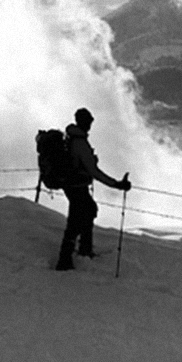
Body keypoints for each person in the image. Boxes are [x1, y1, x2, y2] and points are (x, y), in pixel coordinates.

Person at [54, 107, 129, 271]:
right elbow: (94, 171)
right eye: (88, 121)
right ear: (84, 122)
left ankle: (81, 251)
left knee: (87, 211)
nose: (90, 125)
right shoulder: (80, 143)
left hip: (72, 185)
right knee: (78, 219)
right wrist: (117, 184)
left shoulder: (72, 138)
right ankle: (66, 259)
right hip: (77, 186)